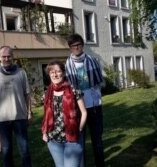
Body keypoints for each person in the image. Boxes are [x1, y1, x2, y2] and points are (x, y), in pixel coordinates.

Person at [0, 46, 32, 167]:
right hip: (1, 120)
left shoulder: (21, 72)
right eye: (4, 56)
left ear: (12, 56)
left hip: (20, 117)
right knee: (6, 151)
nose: (6, 58)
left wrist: (29, 113)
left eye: (9, 56)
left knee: (24, 150)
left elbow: (27, 94)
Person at [65, 34, 105, 167]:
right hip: (78, 109)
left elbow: (99, 82)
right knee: (80, 141)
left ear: (82, 45)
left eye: (78, 45)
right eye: (73, 46)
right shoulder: (68, 65)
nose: (76, 48)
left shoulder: (93, 60)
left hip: (94, 106)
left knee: (97, 140)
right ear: (70, 48)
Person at [42, 60, 87, 167]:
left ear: (64, 72)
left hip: (72, 139)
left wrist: (79, 129)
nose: (55, 74)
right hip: (53, 140)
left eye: (58, 71)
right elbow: (46, 116)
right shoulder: (47, 93)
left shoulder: (73, 90)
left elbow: (84, 112)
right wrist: (44, 132)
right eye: (52, 72)